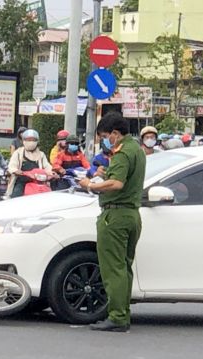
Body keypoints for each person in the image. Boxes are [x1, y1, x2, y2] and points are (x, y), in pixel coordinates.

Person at [78, 112, 146, 332]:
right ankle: (122, 314)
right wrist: (104, 174)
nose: (105, 141)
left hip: (115, 216)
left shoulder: (122, 152)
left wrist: (90, 184)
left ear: (115, 134)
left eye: (106, 136)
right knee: (124, 268)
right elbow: (121, 178)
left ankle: (117, 317)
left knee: (113, 269)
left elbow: (116, 184)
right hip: (131, 215)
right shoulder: (136, 149)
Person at [7, 129, 53, 198]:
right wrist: (16, 171)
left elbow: (47, 167)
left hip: (39, 182)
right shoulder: (18, 153)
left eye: (33, 140)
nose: (31, 142)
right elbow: (12, 166)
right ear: (23, 141)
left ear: (37, 141)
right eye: (28, 140)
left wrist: (51, 173)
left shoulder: (41, 155)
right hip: (22, 182)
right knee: (16, 196)